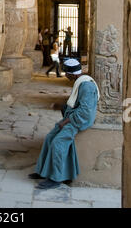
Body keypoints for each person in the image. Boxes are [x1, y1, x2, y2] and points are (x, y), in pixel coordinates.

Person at [29, 58, 100, 190]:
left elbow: (85, 111)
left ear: (71, 74)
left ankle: (56, 178)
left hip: (79, 121)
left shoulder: (87, 86)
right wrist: (61, 107)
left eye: (66, 73)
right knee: (50, 137)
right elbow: (75, 104)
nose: (65, 76)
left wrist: (66, 121)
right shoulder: (80, 82)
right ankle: (43, 172)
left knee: (58, 143)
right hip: (73, 117)